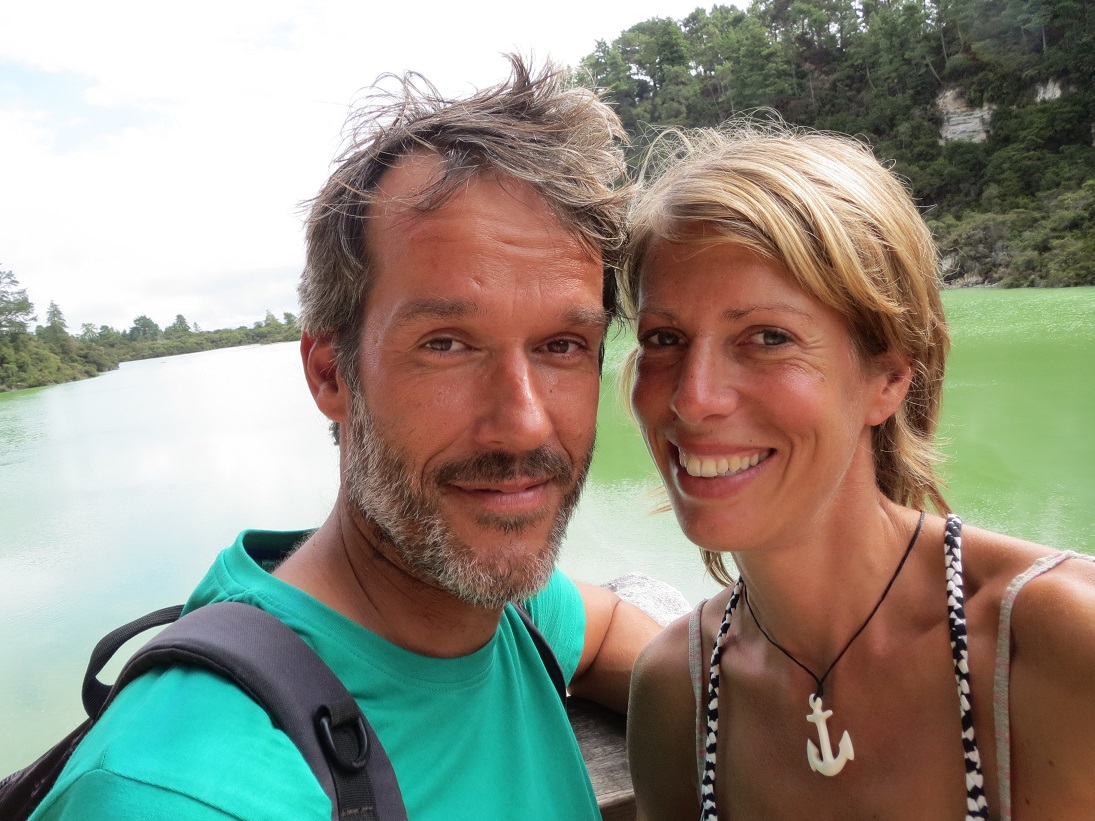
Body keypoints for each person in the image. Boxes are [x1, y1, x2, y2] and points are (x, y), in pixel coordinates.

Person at [29, 56, 660, 820]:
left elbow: (605, 629)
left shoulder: (503, 611)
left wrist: (753, 716)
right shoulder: (185, 791)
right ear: (331, 373)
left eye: (561, 345)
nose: (524, 420)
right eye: (446, 344)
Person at [621, 123, 1095, 820]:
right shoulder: (678, 691)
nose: (693, 398)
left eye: (768, 338)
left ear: (889, 378)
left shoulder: (1055, 641)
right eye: (664, 338)